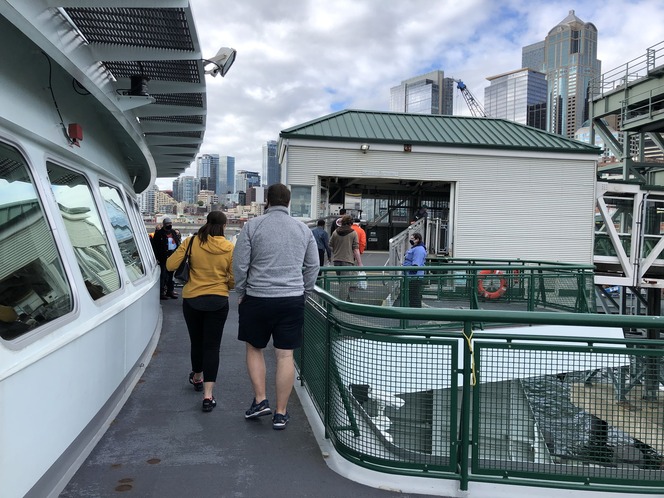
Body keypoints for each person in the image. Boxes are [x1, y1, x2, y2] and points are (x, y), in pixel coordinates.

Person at [233, 183, 319, 430]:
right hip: (292, 298)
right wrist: (305, 292)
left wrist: (241, 291)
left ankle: (260, 401)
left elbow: (240, 265)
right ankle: (281, 413)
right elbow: (313, 266)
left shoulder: (253, 226)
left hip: (257, 297)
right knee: (285, 355)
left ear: (267, 201)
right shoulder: (303, 229)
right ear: (289, 202)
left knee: (254, 348)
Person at [166, 211, 235, 412]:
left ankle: (197, 377)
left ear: (206, 223)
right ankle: (208, 396)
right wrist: (224, 284)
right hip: (219, 300)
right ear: (223, 226)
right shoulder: (230, 247)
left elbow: (170, 265)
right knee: (212, 347)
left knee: (197, 342)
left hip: (193, 299)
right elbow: (233, 279)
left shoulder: (192, 242)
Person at [329, 214, 363, 300]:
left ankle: (347, 299)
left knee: (342, 282)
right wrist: (360, 263)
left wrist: (336, 252)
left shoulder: (335, 232)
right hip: (347, 260)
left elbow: (330, 245)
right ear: (350, 223)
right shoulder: (353, 233)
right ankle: (342, 303)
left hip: (336, 260)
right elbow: (356, 249)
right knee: (345, 283)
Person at [152, 217, 180, 299]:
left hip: (172, 256)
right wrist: (157, 257)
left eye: (170, 224)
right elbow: (155, 246)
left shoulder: (173, 232)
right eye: (168, 224)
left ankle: (170, 291)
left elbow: (177, 242)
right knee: (163, 275)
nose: (169, 226)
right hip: (163, 257)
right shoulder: (159, 234)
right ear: (164, 225)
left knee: (171, 276)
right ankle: (161, 293)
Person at [402, 232, 427, 307]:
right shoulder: (415, 248)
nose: (411, 240)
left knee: (414, 295)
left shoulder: (419, 249)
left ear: (417, 239)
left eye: (413, 239)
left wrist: (410, 272)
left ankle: (415, 311)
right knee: (412, 294)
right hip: (411, 276)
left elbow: (416, 264)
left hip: (414, 277)